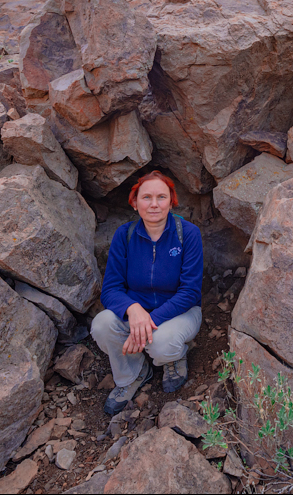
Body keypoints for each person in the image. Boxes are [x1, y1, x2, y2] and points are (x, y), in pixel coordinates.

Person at [90, 170, 203, 415]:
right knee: (102, 324)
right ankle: (134, 374)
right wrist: (134, 310)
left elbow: (190, 292)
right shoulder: (125, 235)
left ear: (171, 201)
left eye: (161, 197)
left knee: (161, 344)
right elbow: (111, 289)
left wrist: (147, 323)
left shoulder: (188, 234)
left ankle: (175, 357)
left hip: (179, 313)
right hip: (136, 313)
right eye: (146, 197)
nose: (154, 204)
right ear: (134, 202)